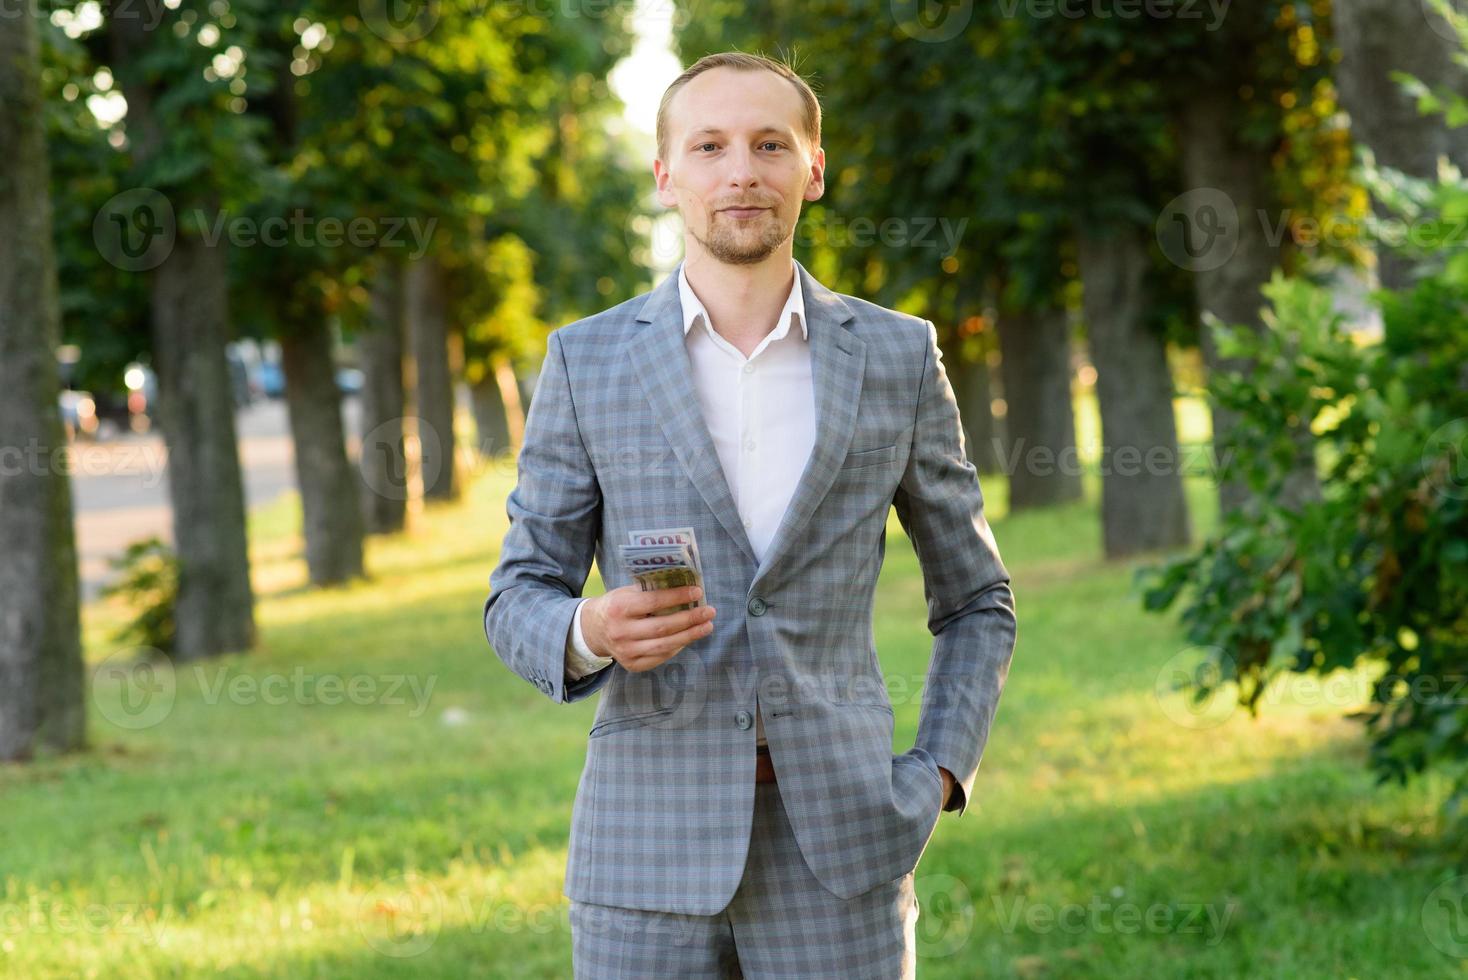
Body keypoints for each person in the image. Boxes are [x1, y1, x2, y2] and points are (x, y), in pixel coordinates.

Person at [483, 50, 1017, 978]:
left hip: (845, 852)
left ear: (813, 168)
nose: (741, 171)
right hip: (643, 859)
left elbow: (977, 600)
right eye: (710, 146)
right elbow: (518, 593)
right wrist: (590, 628)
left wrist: (937, 773)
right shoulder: (585, 360)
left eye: (771, 144)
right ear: (666, 175)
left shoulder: (896, 356)